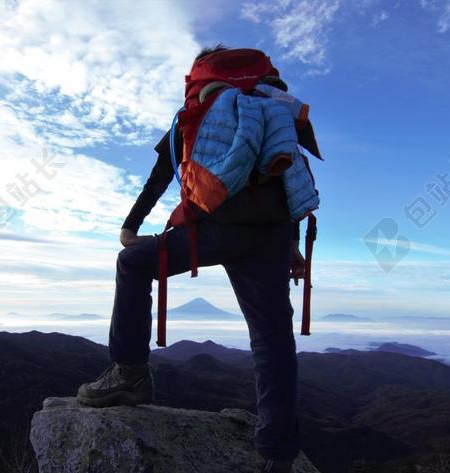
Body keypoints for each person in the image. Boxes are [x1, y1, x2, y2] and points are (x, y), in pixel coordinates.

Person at [77, 45, 306, 473]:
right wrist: (291, 244)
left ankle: (129, 375)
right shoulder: (274, 108)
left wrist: (131, 226)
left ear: (198, 74)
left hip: (211, 231)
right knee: (272, 340)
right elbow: (286, 178)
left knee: (132, 264)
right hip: (271, 236)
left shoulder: (199, 110)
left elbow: (162, 175)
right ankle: (278, 455)